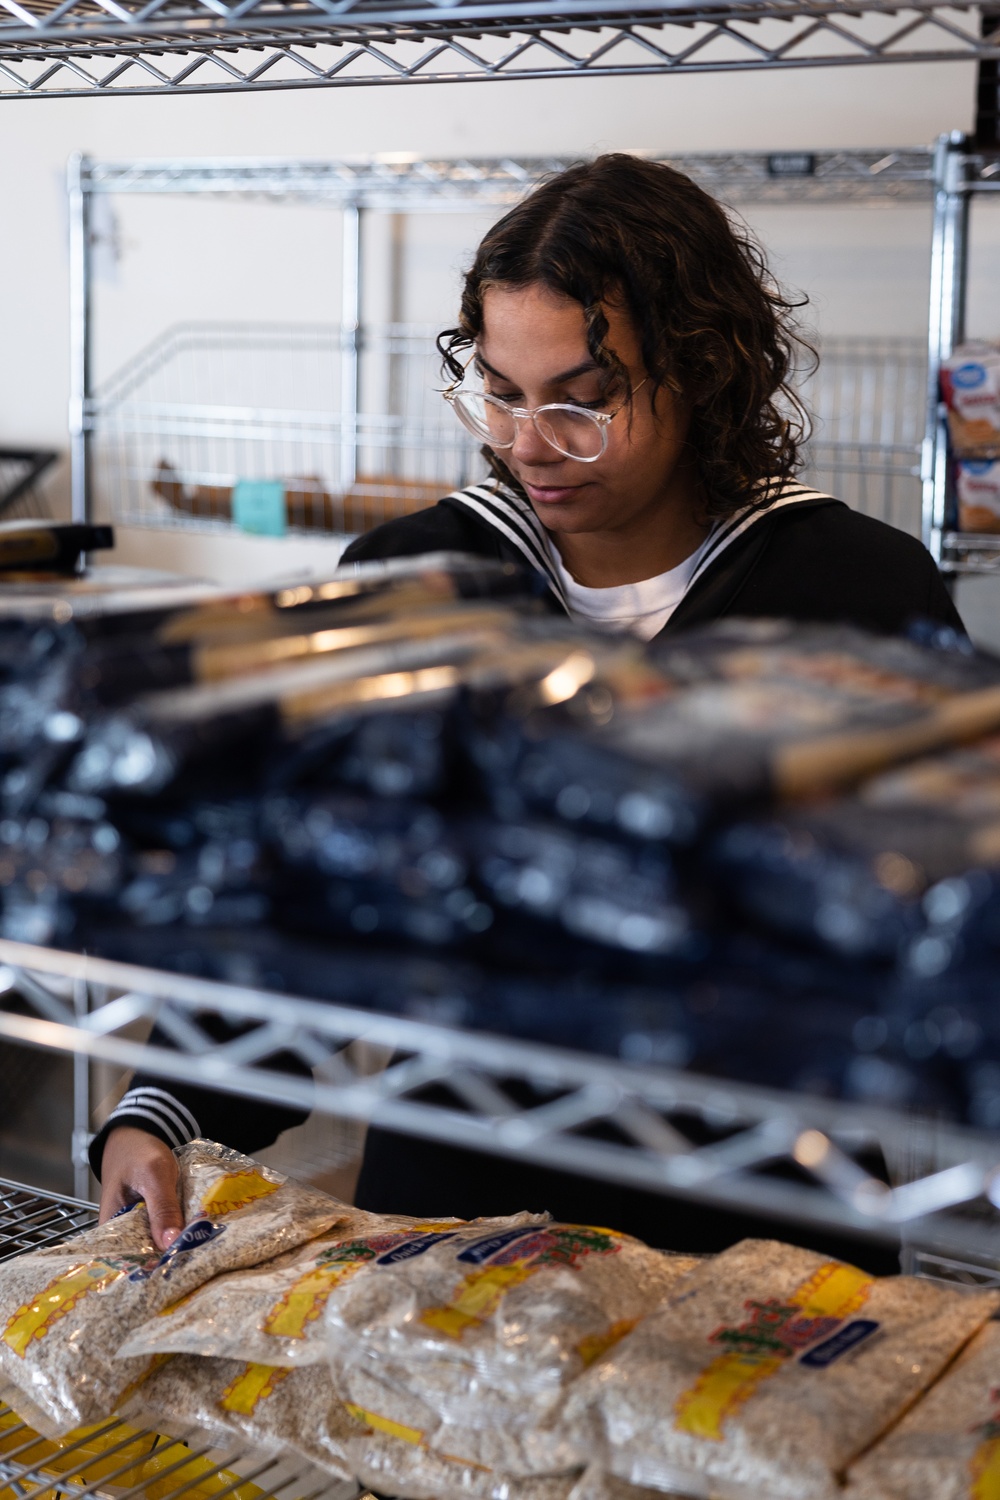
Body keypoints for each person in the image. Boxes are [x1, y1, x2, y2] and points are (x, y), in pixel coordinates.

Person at [90, 155, 962, 1273]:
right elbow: (313, 903)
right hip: (453, 1224)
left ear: (703, 372)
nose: (528, 441)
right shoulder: (408, 585)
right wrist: (162, 1107)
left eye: (583, 402)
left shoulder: (853, 591)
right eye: (499, 391)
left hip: (755, 1238)